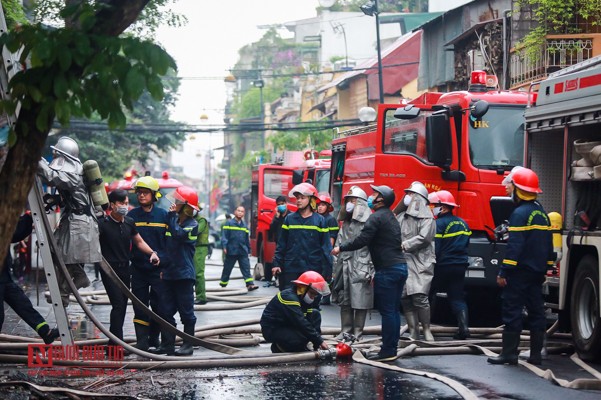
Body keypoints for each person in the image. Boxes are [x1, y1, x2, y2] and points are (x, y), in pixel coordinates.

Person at [332, 185, 408, 361]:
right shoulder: (390, 217)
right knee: (394, 311)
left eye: (374, 194)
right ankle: (391, 346)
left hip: (387, 270)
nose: (371, 197)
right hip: (400, 268)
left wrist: (340, 248)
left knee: (388, 312)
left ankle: (388, 351)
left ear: (381, 199)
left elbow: (362, 240)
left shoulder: (376, 218)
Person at [488, 168, 554, 366]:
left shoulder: (519, 214)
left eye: (511, 185)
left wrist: (503, 272)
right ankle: (535, 355)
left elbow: (515, 247)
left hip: (519, 273)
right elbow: (548, 245)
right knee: (536, 312)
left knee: (512, 310)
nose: (508, 189)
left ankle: (509, 354)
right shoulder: (541, 212)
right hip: (536, 272)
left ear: (519, 189)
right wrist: (547, 267)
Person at [37, 136, 102, 305]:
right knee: (55, 252)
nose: (54, 156)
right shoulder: (74, 172)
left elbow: (51, 176)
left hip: (79, 223)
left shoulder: (74, 173)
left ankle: (68, 290)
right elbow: (74, 196)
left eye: (56, 153)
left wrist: (34, 159)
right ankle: (76, 280)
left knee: (61, 257)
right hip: (74, 221)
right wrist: (56, 200)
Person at [98, 189, 160, 349]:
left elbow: (139, 242)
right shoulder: (102, 225)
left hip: (125, 269)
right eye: (121, 203)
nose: (125, 206)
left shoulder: (129, 223)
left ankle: (113, 342)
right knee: (118, 304)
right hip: (108, 270)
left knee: (123, 305)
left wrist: (152, 253)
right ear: (112, 205)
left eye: (126, 203)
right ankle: (116, 345)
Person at [1, 213, 60, 344]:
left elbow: (13, 233)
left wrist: (28, 219)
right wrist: (28, 218)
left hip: (3, 275)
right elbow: (15, 233)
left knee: (22, 303)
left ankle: (46, 332)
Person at [156, 186, 200, 356]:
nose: (174, 203)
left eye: (178, 201)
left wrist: (172, 217)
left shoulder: (192, 225)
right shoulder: (172, 221)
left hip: (184, 275)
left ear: (186, 206)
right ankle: (167, 344)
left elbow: (178, 235)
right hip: (169, 273)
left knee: (186, 312)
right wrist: (162, 268)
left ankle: (187, 345)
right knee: (165, 310)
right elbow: (166, 248)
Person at [127, 176, 169, 352]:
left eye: (145, 193)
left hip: (158, 270)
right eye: (139, 193)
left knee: (160, 305)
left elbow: (169, 244)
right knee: (140, 305)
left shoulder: (163, 216)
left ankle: (155, 339)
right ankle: (142, 342)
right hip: (138, 269)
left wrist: (164, 263)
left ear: (154, 195)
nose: (142, 196)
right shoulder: (131, 216)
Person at [394, 181, 436, 342]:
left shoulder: (427, 218)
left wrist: (405, 244)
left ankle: (426, 329)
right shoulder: (401, 217)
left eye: (411, 194)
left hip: (421, 261)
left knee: (419, 296)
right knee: (405, 297)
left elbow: (424, 238)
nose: (407, 197)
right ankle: (413, 330)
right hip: (404, 260)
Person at [428, 190, 472, 340]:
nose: (432, 207)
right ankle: (464, 329)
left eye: (435, 205)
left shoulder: (438, 224)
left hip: (443, 265)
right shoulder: (463, 223)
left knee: (428, 293)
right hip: (460, 265)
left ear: (444, 207)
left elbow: (436, 248)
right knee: (457, 298)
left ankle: (424, 327)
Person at [331, 186, 373, 341]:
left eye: (352, 200)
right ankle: (345, 330)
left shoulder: (369, 222)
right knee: (345, 298)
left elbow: (373, 247)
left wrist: (371, 268)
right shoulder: (346, 223)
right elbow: (340, 242)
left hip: (361, 264)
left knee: (360, 300)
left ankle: (358, 333)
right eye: (347, 200)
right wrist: (336, 266)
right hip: (345, 264)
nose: (349, 203)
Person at [272, 183, 332, 291]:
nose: (298, 200)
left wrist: (328, 270)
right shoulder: (289, 219)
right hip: (291, 268)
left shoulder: (320, 220)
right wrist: (276, 264)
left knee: (310, 302)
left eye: (302, 198)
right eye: (297, 198)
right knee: (289, 300)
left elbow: (326, 247)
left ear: (311, 200)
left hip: (312, 269)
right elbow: (281, 244)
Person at [260, 271, 331, 353]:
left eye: (315, 295)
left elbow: (310, 318)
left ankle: (301, 345)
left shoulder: (303, 298)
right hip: (273, 329)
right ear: (303, 289)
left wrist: (317, 343)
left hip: (288, 324)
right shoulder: (289, 297)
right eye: (312, 294)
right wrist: (320, 341)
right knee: (300, 338)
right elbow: (301, 322)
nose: (313, 297)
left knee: (316, 314)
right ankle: (279, 347)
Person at [220, 206, 258, 291]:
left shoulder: (244, 225)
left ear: (244, 214)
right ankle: (223, 283)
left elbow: (246, 239)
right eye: (238, 211)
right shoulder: (229, 223)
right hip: (231, 249)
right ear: (235, 212)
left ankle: (250, 284)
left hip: (242, 250)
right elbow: (224, 236)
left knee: (246, 267)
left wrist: (249, 250)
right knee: (227, 268)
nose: (240, 212)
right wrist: (225, 246)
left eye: (242, 211)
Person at [316, 193, 338, 305]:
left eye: (323, 205)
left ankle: (326, 297)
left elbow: (332, 237)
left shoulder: (330, 220)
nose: (320, 207)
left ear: (328, 207)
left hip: (325, 252)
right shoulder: (316, 218)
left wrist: (328, 252)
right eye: (318, 204)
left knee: (326, 275)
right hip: (317, 251)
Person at [266, 195, 290, 283]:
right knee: (278, 260)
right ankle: (279, 279)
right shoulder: (277, 217)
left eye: (282, 204)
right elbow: (271, 229)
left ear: (286, 204)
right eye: (279, 204)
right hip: (279, 243)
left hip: (289, 244)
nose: (281, 206)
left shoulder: (291, 216)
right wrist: (276, 217)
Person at [193, 203, 210, 305]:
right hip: (192, 248)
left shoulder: (201, 220)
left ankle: (201, 297)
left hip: (199, 248)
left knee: (198, 273)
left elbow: (196, 231)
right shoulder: (190, 219)